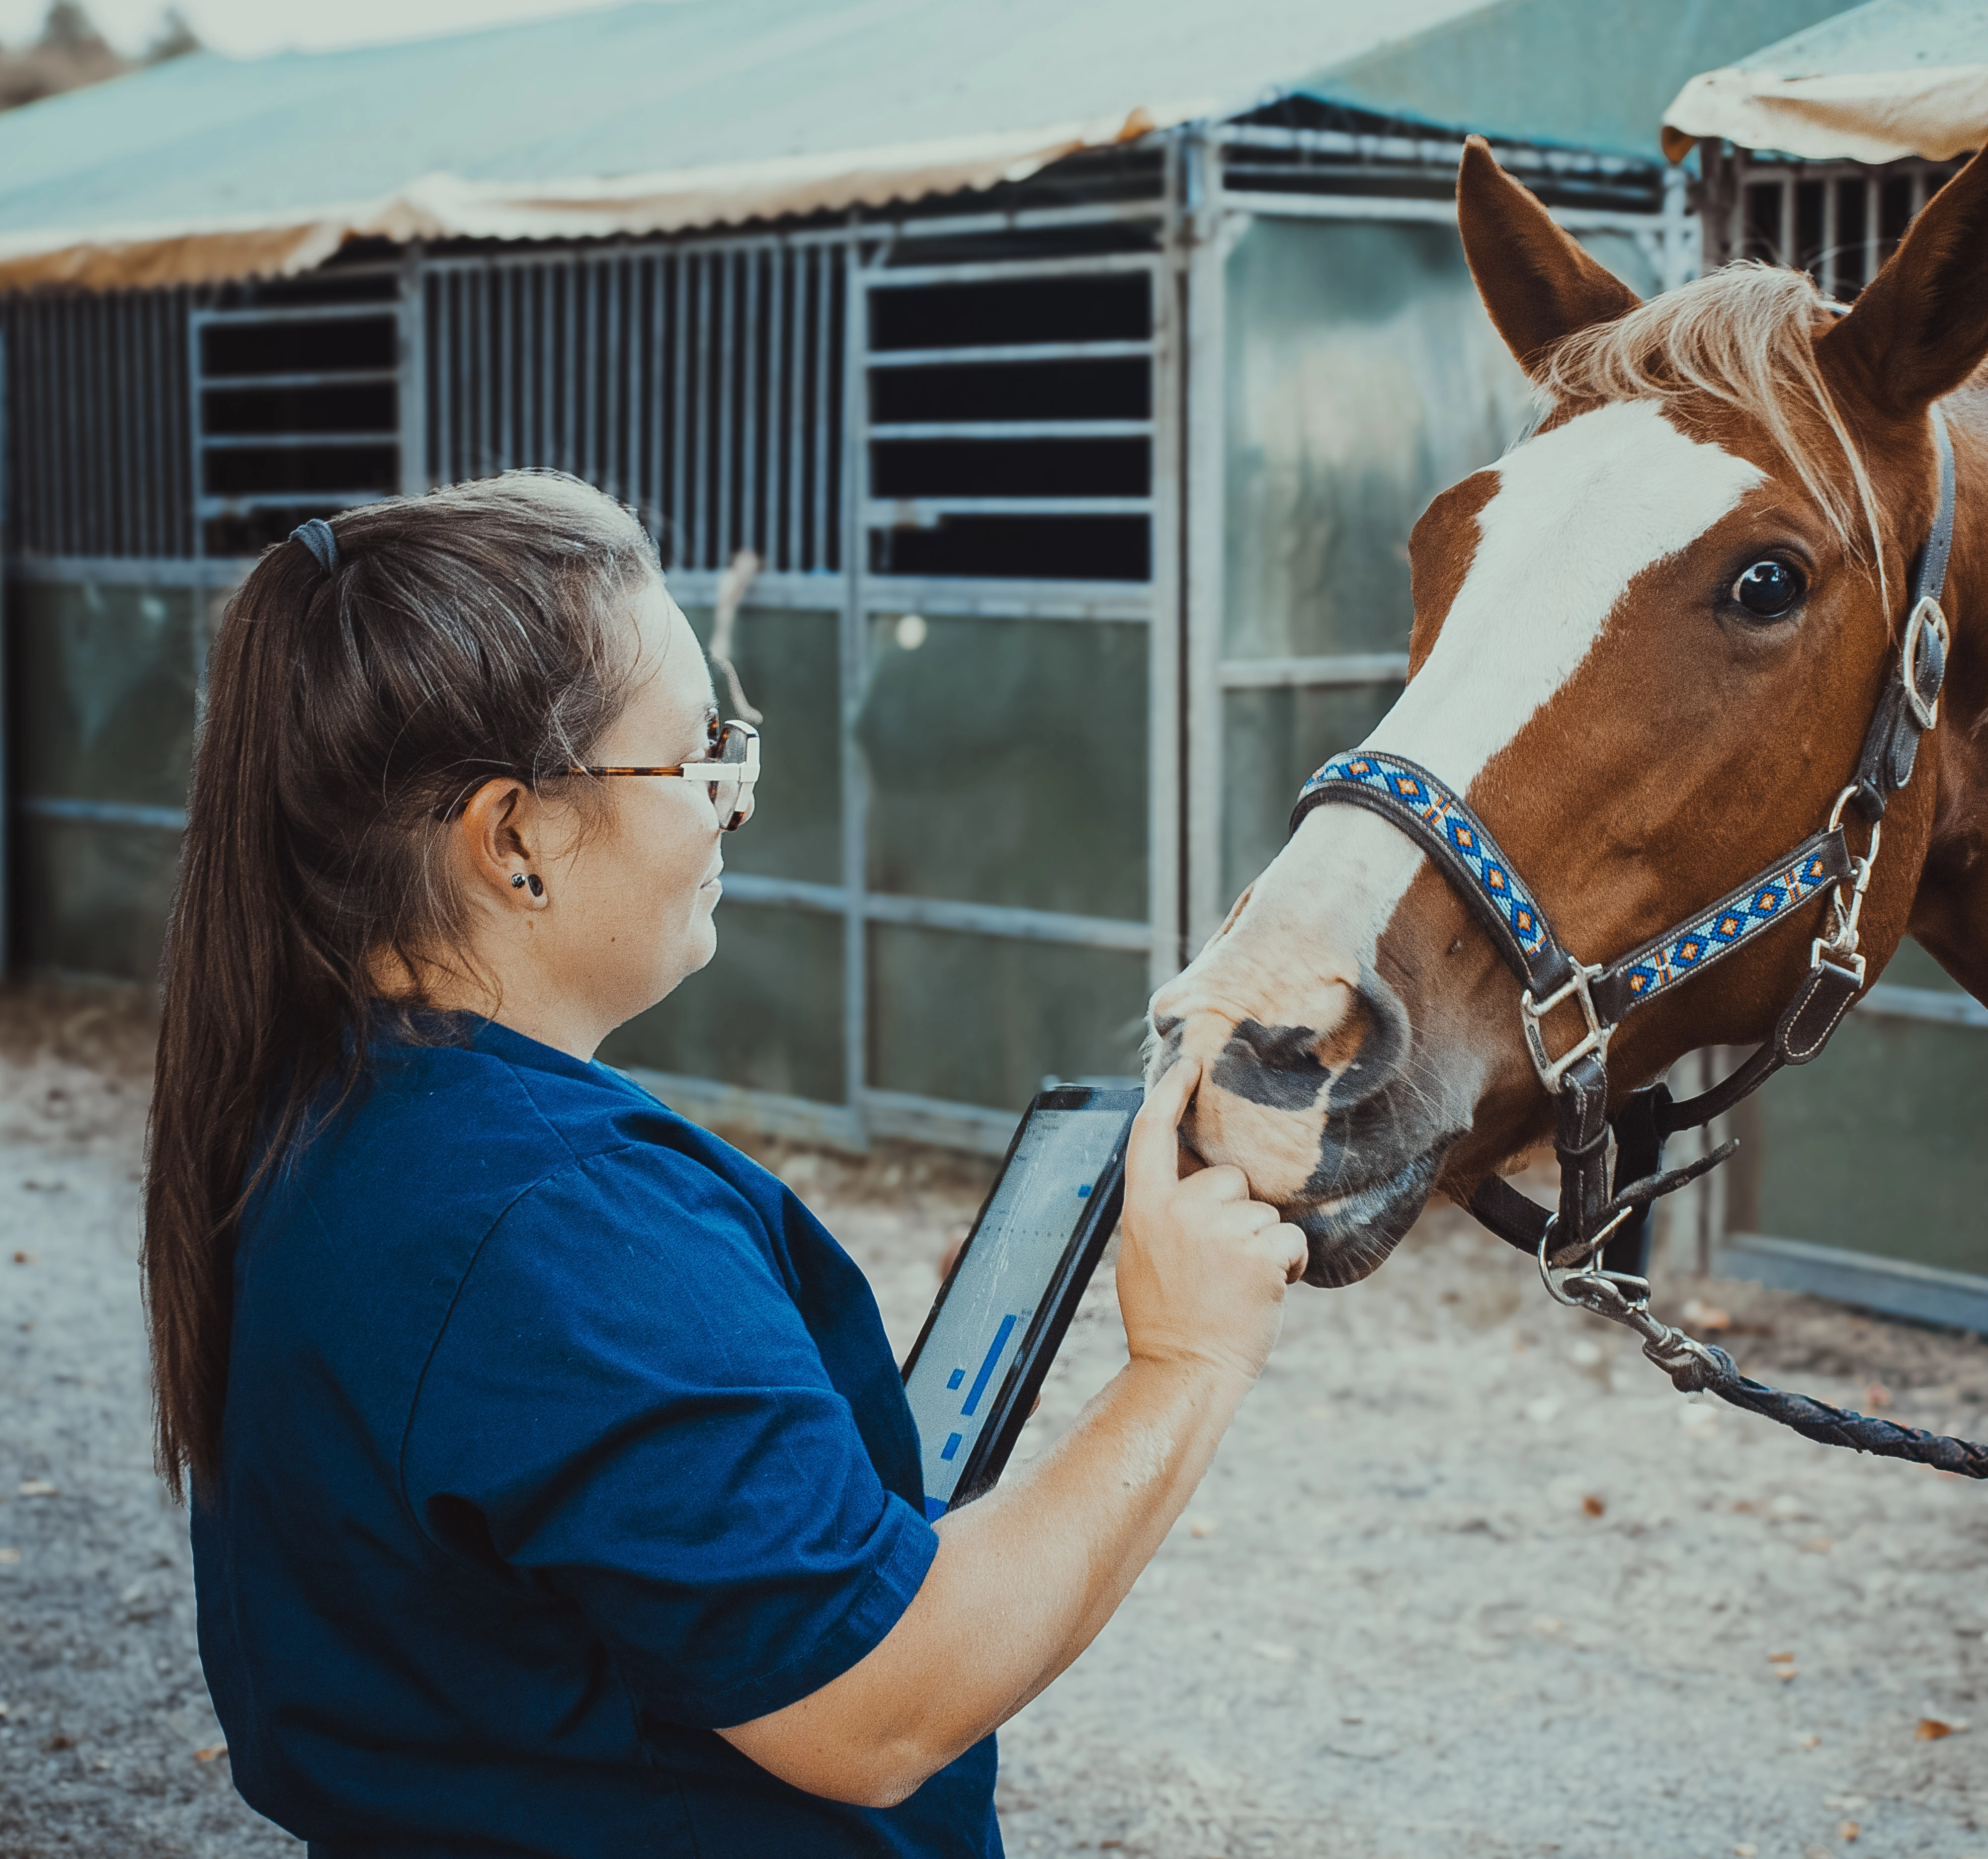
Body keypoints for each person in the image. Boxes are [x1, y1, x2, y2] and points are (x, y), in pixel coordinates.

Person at [142, 472, 1305, 1855]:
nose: (730, 809)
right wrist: (1187, 1363)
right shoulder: (553, 1224)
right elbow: (878, 1708)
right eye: (701, 758)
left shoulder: (325, 1112)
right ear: (515, 835)